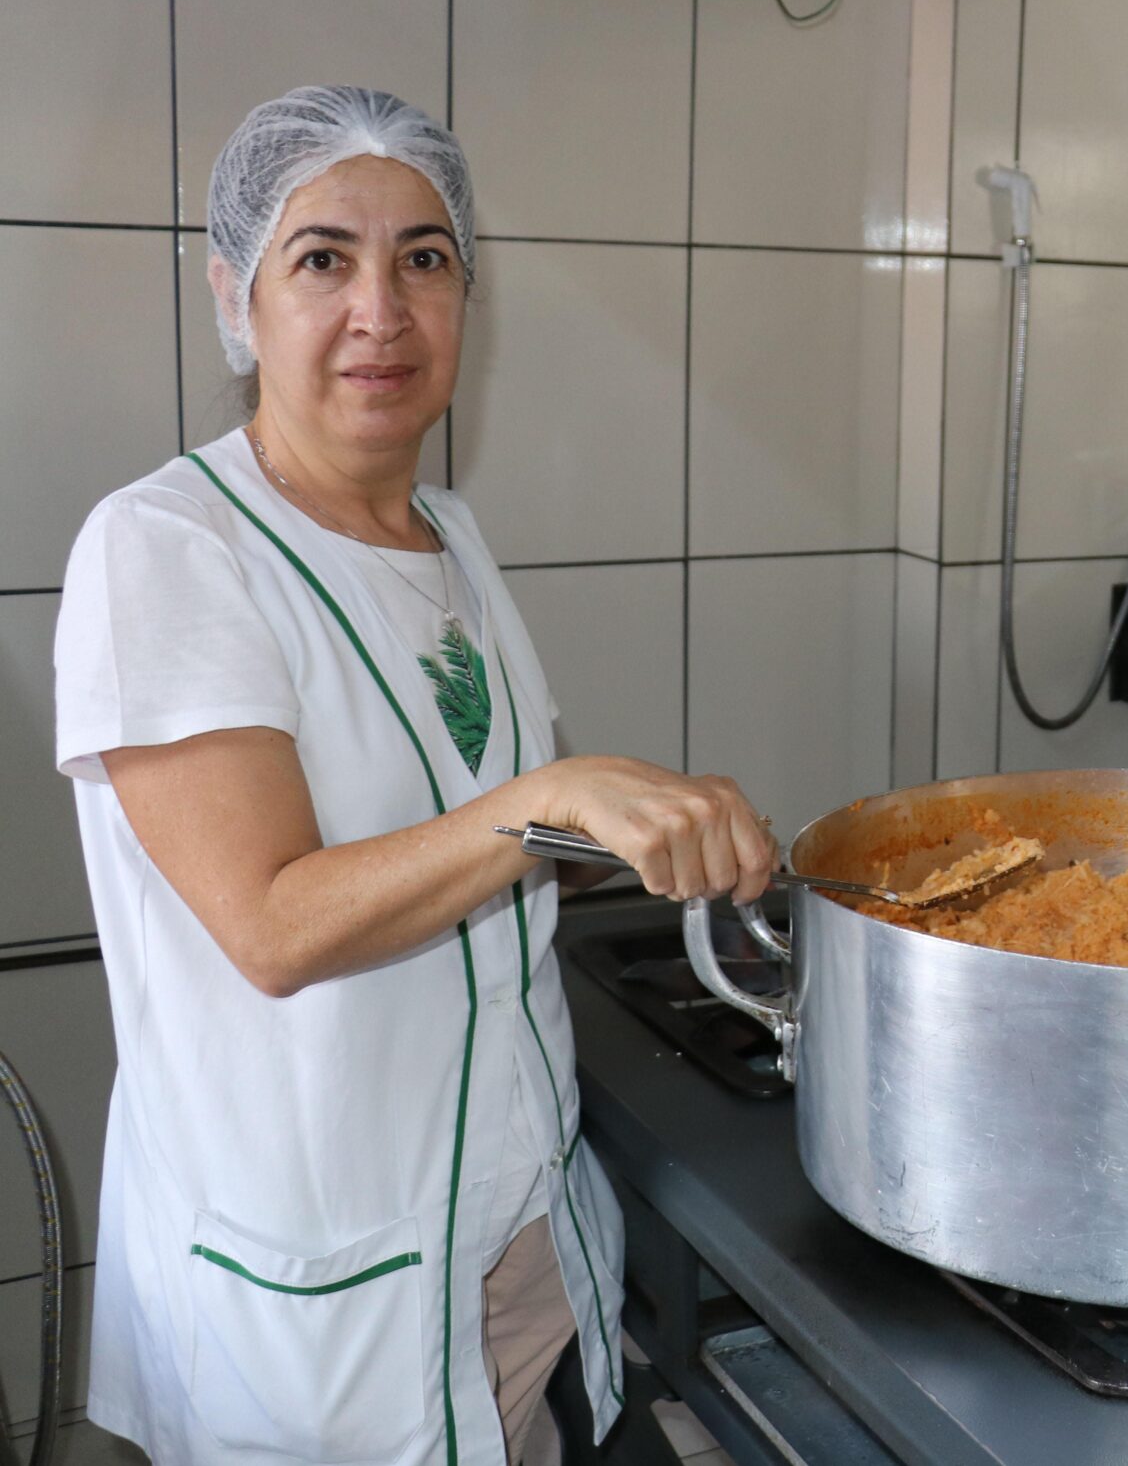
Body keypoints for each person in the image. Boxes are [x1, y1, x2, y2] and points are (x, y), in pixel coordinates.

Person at [54, 86, 778, 1465]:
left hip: (518, 1227)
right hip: (329, 1290)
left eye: (424, 259)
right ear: (236, 296)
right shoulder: (167, 547)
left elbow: (479, 838)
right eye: (323, 258)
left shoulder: (446, 531)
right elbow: (272, 923)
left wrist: (642, 827)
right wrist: (548, 800)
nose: (379, 310)